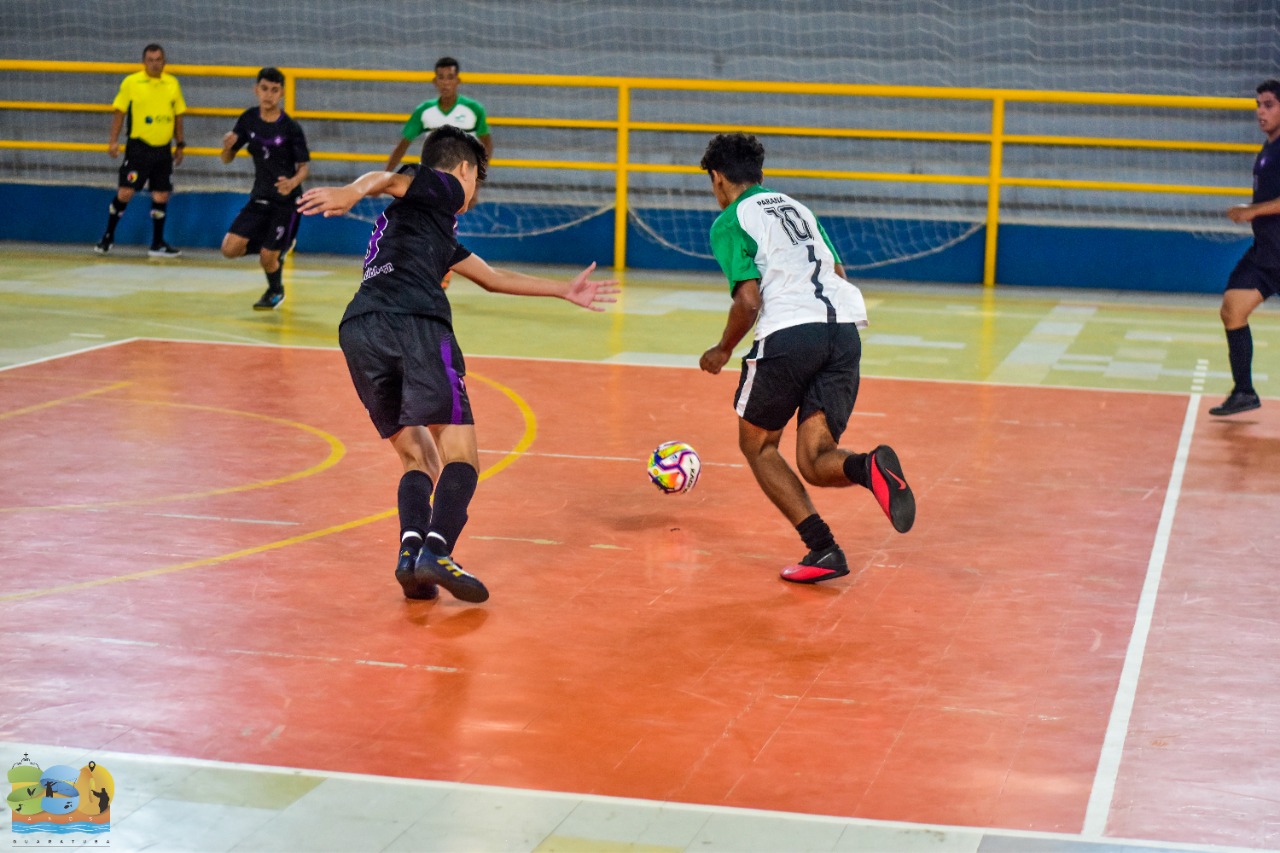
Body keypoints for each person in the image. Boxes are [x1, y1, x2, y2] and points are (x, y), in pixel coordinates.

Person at [298, 125, 618, 604]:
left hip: (360, 330)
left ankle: (411, 555)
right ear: (464, 169)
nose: (472, 195)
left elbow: (490, 277)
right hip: (416, 325)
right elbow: (388, 178)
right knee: (462, 455)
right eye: (477, 182)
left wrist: (560, 289)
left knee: (418, 458)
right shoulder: (441, 187)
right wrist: (351, 191)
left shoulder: (421, 223)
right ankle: (439, 550)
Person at [697, 132, 915, 585]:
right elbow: (837, 271)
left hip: (791, 334)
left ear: (718, 179)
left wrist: (722, 350)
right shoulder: (797, 208)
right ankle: (867, 467)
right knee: (815, 460)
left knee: (758, 445)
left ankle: (822, 546)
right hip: (844, 333)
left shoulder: (730, 219)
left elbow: (749, 301)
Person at [384, 56, 492, 290]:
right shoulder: (424, 112)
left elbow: (487, 144)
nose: (446, 83)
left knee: (446, 223)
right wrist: (386, 175)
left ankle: (442, 267)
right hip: (431, 181)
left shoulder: (473, 110)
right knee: (429, 222)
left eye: (450, 78)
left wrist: (477, 183)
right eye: (441, 78)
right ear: (435, 81)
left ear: (458, 80)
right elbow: (402, 144)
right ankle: (434, 268)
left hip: (462, 180)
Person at [1210, 78, 1280, 416]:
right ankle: (1244, 391)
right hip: (1266, 251)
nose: (1260, 112)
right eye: (1258, 105)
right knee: (1232, 309)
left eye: (1269, 105)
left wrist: (1250, 211)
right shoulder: (1268, 149)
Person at [219, 67, 311, 311]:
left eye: (274, 90)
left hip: (287, 202)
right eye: (264, 89)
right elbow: (227, 158)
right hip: (260, 198)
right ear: (256, 90)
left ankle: (275, 290)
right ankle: (272, 247)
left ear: (281, 93)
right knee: (229, 249)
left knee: (268, 258)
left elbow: (304, 168)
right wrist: (227, 147)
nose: (268, 95)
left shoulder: (290, 127)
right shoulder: (248, 119)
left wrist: (292, 182)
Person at [95, 43, 185, 258]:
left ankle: (157, 243)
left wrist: (180, 144)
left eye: (159, 59)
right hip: (139, 148)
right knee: (126, 191)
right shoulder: (131, 82)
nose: (155, 64)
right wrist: (113, 141)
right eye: (151, 60)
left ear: (165, 61)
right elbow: (119, 112)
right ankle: (108, 236)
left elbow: (178, 115)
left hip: (163, 148)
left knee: (161, 194)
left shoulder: (172, 83)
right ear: (144, 62)